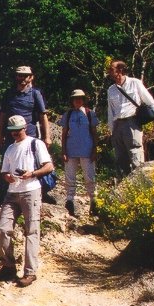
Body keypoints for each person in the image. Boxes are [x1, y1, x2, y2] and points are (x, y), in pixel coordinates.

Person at [0, 115, 54, 287]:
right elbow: (4, 172)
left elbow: (49, 166)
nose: (15, 134)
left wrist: (32, 173)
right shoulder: (10, 149)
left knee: (32, 231)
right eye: (12, 131)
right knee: (3, 228)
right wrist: (7, 177)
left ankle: (30, 272)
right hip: (12, 192)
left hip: (31, 191)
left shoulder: (36, 144)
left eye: (17, 130)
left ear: (24, 128)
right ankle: (8, 266)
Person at [107, 60, 154, 176]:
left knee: (135, 154)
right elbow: (110, 112)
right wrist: (111, 129)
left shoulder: (135, 83)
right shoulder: (110, 90)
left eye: (111, 69)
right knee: (120, 158)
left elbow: (151, 102)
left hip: (132, 122)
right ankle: (124, 188)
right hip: (117, 125)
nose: (109, 72)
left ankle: (141, 184)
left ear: (120, 70)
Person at [59, 89, 99, 217]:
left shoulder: (89, 114)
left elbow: (94, 133)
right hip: (71, 151)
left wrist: (94, 150)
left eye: (80, 98)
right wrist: (63, 151)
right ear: (72, 100)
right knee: (70, 178)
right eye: (76, 98)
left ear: (84, 100)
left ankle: (94, 202)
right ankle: (69, 202)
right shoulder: (68, 114)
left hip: (87, 151)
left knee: (90, 178)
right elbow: (64, 134)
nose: (78, 101)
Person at [0, 65, 50, 146]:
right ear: (16, 77)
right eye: (20, 75)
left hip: (29, 135)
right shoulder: (8, 93)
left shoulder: (35, 94)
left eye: (25, 76)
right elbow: (2, 115)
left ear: (30, 77)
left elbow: (43, 116)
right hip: (10, 136)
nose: (22, 78)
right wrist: (0, 134)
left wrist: (47, 137)